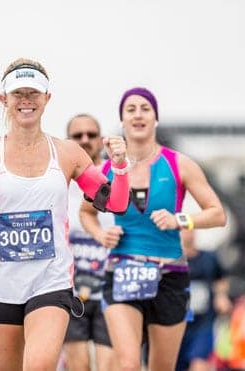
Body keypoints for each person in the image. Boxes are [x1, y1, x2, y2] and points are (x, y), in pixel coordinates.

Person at [0, 58, 130, 371]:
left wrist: (119, 166)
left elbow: (115, 203)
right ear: (4, 99)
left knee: (39, 365)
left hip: (50, 281)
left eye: (34, 93)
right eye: (18, 93)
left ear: (47, 98)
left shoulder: (67, 153)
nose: (26, 100)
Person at [80, 87, 227, 371]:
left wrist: (180, 220)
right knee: (129, 365)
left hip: (170, 275)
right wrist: (100, 234)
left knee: (162, 367)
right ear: (122, 121)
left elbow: (218, 214)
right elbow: (86, 213)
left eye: (145, 109)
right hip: (122, 271)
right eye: (130, 109)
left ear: (155, 119)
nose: (138, 115)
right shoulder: (108, 170)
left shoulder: (178, 164)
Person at [62, 114, 118, 371]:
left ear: (101, 139)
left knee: (109, 366)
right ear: (68, 141)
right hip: (70, 292)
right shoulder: (58, 182)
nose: (85, 140)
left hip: (111, 289)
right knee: (78, 365)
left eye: (91, 134)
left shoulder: (117, 178)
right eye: (77, 136)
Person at [176, 227, 231, 371]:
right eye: (183, 230)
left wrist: (221, 296)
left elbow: (221, 279)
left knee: (199, 363)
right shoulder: (171, 260)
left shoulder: (209, 257)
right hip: (177, 323)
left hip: (203, 322)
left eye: (190, 229)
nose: (188, 233)